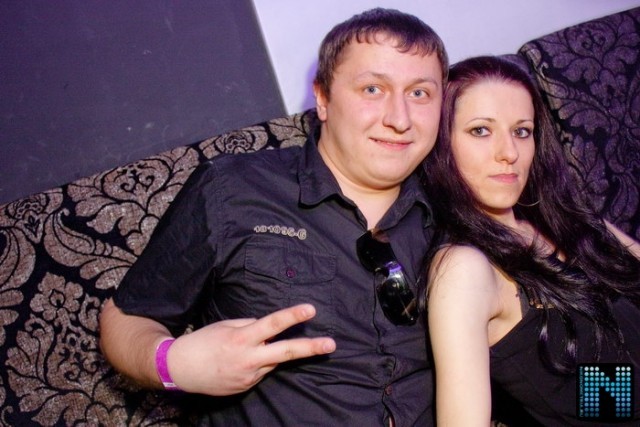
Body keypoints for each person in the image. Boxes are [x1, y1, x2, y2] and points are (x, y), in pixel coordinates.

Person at [99, 8, 449, 426]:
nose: (399, 119)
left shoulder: (457, 211)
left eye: (419, 93)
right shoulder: (233, 189)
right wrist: (172, 364)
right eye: (372, 89)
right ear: (323, 98)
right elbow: (126, 318)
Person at [421, 55, 640, 426]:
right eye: (480, 130)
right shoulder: (465, 268)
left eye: (522, 131)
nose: (509, 153)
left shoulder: (560, 220)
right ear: (441, 144)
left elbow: (607, 386)